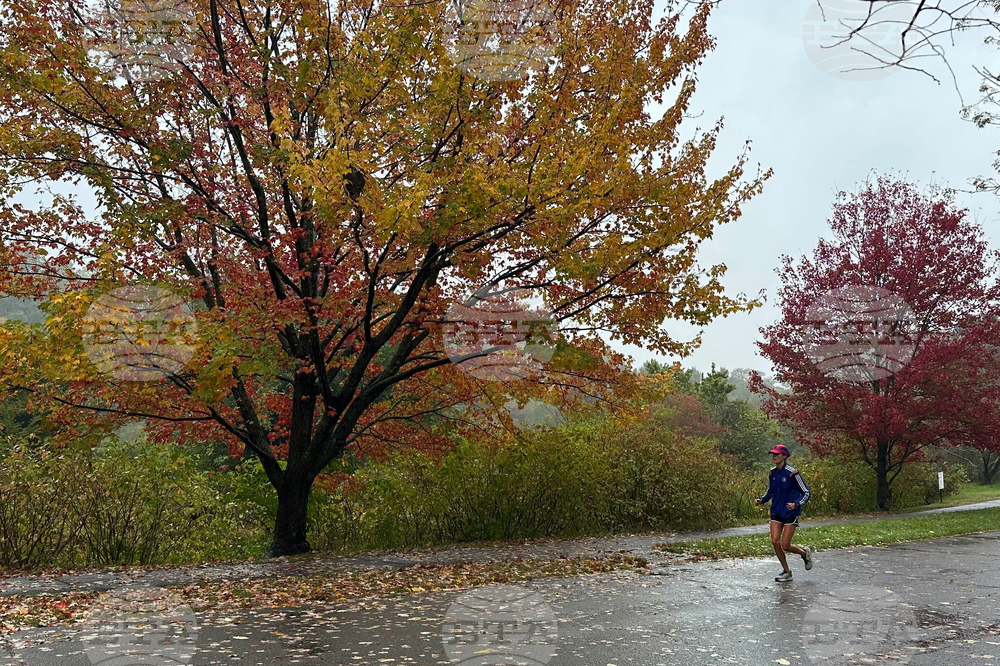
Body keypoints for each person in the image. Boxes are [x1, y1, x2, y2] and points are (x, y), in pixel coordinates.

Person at [754, 444, 813, 582]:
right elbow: (771, 491)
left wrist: (796, 503)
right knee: (775, 541)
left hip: (790, 512)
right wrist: (762, 500)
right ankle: (787, 571)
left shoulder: (793, 472)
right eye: (773, 454)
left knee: (786, 545)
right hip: (776, 510)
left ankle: (804, 553)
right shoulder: (772, 473)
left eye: (777, 454)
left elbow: (806, 492)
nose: (774, 457)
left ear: (784, 456)